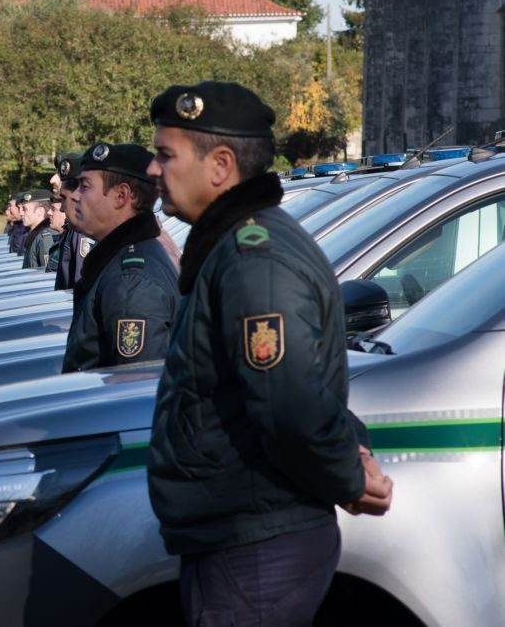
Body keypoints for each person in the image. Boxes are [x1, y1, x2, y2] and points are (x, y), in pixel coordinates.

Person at [144, 81, 393, 625]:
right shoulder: (232, 245)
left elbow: (288, 399)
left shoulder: (252, 256)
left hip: (255, 541)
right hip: (244, 534)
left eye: (165, 155)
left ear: (221, 165)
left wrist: (347, 479)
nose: (152, 171)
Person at [61, 143, 179, 373]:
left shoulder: (130, 282)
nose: (75, 195)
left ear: (121, 196)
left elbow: (136, 390)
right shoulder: (126, 260)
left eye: (84, 187)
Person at [46, 152, 94, 290]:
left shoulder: (82, 231)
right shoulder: (73, 228)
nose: (61, 208)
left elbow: (80, 287)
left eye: (64, 198)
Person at [20, 189, 60, 269]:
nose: (21, 213)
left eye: (25, 209)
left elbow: (46, 275)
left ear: (40, 212)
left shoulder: (45, 238)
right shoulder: (37, 235)